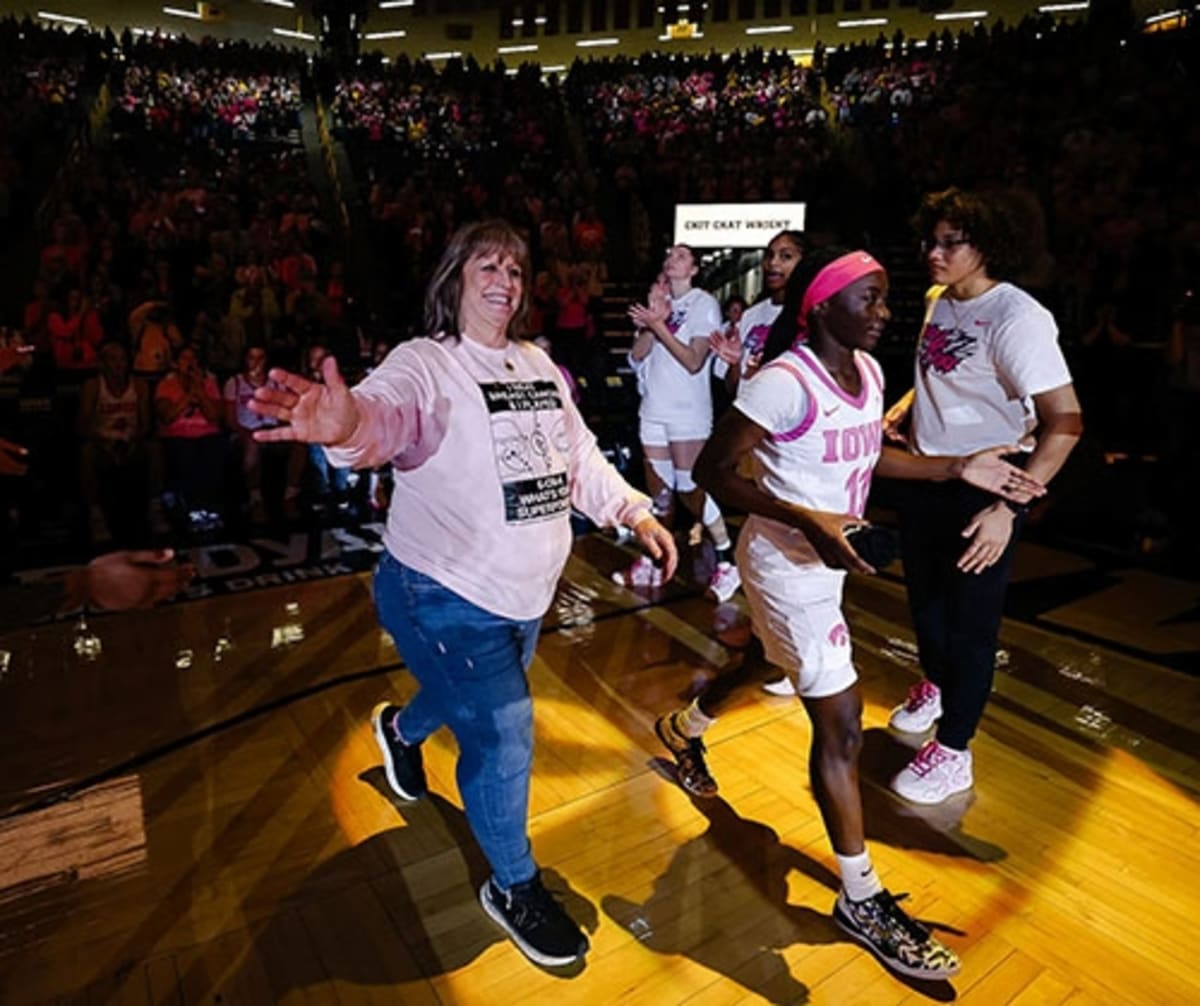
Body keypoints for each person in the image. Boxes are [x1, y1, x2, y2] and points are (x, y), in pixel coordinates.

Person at [248, 220, 677, 968]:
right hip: (437, 593)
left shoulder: (540, 365)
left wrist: (633, 509)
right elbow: (379, 419)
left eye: (515, 268)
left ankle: (402, 735)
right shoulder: (424, 364)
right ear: (455, 278)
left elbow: (576, 456)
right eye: (488, 265)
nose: (504, 281)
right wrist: (344, 424)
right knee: (505, 730)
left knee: (464, 695)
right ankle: (512, 885)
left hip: (522, 599)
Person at [675, 246, 1044, 981]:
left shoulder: (872, 374)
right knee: (841, 720)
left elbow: (869, 455)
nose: (884, 312)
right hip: (783, 562)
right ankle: (862, 897)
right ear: (823, 307)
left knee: (766, 661)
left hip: (828, 559)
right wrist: (807, 519)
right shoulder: (783, 384)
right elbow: (711, 472)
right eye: (869, 300)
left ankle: (686, 726)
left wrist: (955, 467)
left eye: (884, 299)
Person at [883, 188, 1083, 805]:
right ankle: (939, 685)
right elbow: (942, 377)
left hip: (989, 490)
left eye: (950, 242)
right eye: (930, 240)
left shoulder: (1017, 318)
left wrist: (1010, 509)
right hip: (934, 473)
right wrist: (906, 408)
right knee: (926, 608)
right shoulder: (937, 299)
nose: (933, 253)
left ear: (987, 246)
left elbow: (1067, 421)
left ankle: (955, 750)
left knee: (971, 626)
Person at [620, 245, 739, 600]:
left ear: (695, 269)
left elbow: (693, 360)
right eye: (668, 254)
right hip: (653, 410)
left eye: (682, 256)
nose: (672, 257)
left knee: (690, 489)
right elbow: (637, 355)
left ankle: (726, 560)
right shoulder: (659, 303)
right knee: (660, 495)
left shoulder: (703, 304)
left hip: (687, 412)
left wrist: (659, 324)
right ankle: (654, 560)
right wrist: (651, 323)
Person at [710, 230, 805, 397]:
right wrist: (735, 363)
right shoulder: (751, 315)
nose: (773, 263)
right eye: (769, 255)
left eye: (786, 256)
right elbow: (734, 389)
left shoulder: (811, 315)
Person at [77, 340, 152, 543]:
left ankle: (156, 506)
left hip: (131, 439)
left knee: (154, 449)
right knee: (87, 453)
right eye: (113, 359)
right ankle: (96, 514)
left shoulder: (139, 385)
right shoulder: (93, 386)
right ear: (103, 364)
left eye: (122, 359)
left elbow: (145, 425)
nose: (119, 364)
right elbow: (83, 427)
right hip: (102, 441)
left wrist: (133, 440)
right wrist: (105, 443)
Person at [223, 344, 303, 524]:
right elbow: (230, 420)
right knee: (252, 445)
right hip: (245, 432)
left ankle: (290, 496)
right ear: (245, 359)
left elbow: (286, 411)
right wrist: (247, 434)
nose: (256, 362)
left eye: (261, 357)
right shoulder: (234, 383)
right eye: (252, 357)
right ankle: (256, 500)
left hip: (272, 430)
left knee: (299, 444)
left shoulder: (275, 383)